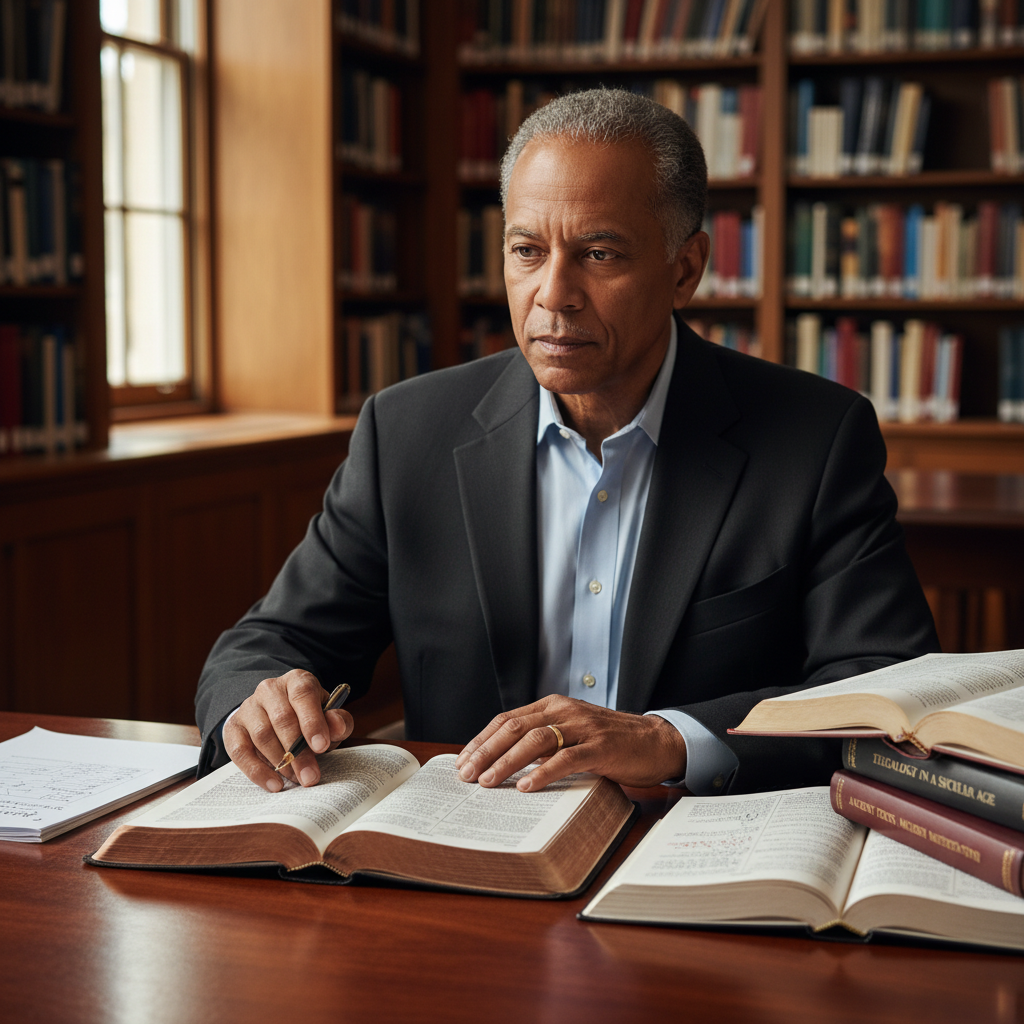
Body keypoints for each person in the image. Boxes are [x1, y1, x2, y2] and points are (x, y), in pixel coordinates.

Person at [195, 89, 938, 796]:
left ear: (685, 269)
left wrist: (670, 740)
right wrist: (260, 704)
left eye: (599, 254)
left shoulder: (815, 437)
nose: (553, 293)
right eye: (527, 250)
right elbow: (269, 643)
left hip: (690, 843)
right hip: (465, 852)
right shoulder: (407, 432)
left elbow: (886, 684)